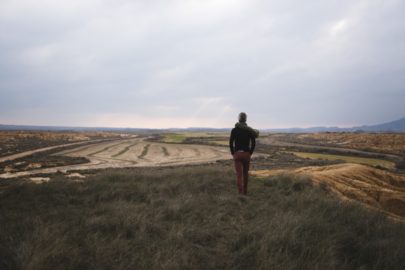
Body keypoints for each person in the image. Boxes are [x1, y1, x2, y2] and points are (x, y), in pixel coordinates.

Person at [229, 112, 259, 195]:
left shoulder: (234, 130)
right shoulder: (249, 130)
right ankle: (245, 193)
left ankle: (240, 193)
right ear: (245, 119)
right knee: (245, 174)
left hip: (237, 154)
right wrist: (250, 153)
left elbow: (231, 142)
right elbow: (253, 143)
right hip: (246, 154)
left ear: (238, 119)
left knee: (239, 175)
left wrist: (233, 153)